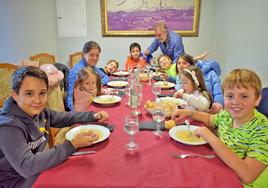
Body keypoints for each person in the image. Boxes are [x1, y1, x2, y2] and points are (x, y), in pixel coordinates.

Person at [0, 66, 109, 187]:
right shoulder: (8, 126)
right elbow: (27, 166)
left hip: (39, 167)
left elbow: (67, 117)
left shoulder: (41, 113)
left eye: (42, 93)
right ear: (15, 95)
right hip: (16, 181)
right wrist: (72, 145)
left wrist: (93, 116)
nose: (37, 100)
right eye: (29, 93)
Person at [172, 68, 268, 187]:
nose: (235, 102)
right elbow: (210, 119)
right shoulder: (227, 115)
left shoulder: (262, 129)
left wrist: (211, 138)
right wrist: (189, 113)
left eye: (244, 96)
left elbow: (248, 176)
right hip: (220, 167)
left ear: (257, 99)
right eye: (230, 96)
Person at [67, 41, 109, 111]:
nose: (95, 58)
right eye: (91, 55)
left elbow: (105, 76)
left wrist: (98, 84)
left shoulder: (92, 67)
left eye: (97, 55)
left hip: (91, 101)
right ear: (84, 54)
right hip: (81, 109)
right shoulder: (77, 72)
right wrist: (75, 114)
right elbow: (70, 97)